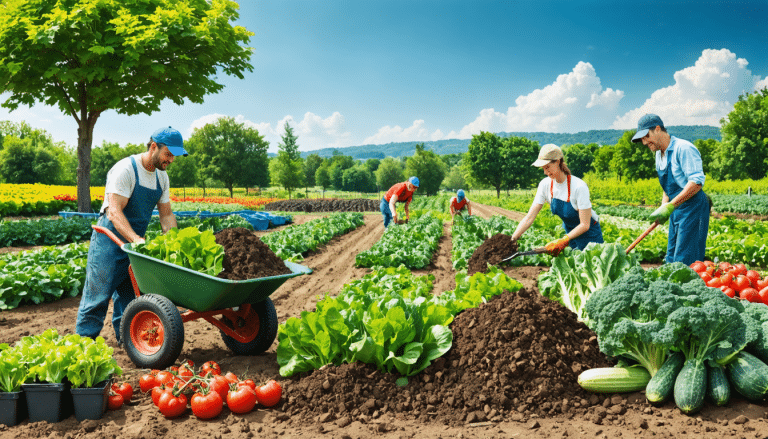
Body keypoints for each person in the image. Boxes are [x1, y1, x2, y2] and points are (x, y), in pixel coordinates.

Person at [75, 126, 188, 343]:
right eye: (168, 154)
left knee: (130, 300)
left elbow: (166, 216)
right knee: (96, 299)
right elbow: (114, 211)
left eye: (174, 156)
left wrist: (174, 242)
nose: (171, 160)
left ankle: (127, 343)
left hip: (134, 247)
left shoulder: (161, 178)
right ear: (154, 146)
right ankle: (82, 348)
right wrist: (136, 239)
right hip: (109, 243)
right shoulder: (126, 169)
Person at [632, 114, 709, 265]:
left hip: (693, 208)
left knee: (685, 260)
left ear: (658, 129)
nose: (644, 142)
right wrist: (663, 207)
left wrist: (670, 206)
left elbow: (696, 182)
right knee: (671, 257)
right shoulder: (658, 155)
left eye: (646, 136)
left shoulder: (684, 148)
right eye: (641, 139)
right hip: (675, 209)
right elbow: (668, 187)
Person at [510, 144, 603, 256]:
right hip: (570, 233)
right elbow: (529, 217)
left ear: (558, 162)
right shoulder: (545, 185)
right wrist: (512, 240)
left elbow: (585, 224)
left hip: (590, 235)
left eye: (547, 167)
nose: (545, 172)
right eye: (543, 168)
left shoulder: (579, 186)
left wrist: (563, 240)